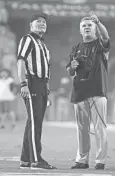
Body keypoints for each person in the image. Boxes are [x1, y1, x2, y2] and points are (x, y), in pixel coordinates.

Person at [66, 12, 110, 170]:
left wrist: (98, 22)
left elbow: (106, 37)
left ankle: (100, 160)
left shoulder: (101, 45)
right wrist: (72, 66)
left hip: (97, 91)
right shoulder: (75, 48)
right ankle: (82, 160)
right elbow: (69, 71)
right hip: (79, 93)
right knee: (81, 129)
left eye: (89, 25)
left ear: (95, 29)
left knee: (100, 128)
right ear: (80, 30)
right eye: (83, 26)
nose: (86, 28)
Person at [17, 13, 56, 170]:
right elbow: (20, 61)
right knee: (35, 123)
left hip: (41, 85)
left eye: (44, 22)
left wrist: (46, 89)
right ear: (31, 26)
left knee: (34, 122)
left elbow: (46, 69)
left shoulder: (43, 45)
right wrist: (23, 84)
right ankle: (36, 159)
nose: (42, 24)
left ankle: (25, 159)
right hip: (31, 83)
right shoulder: (28, 39)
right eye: (38, 22)